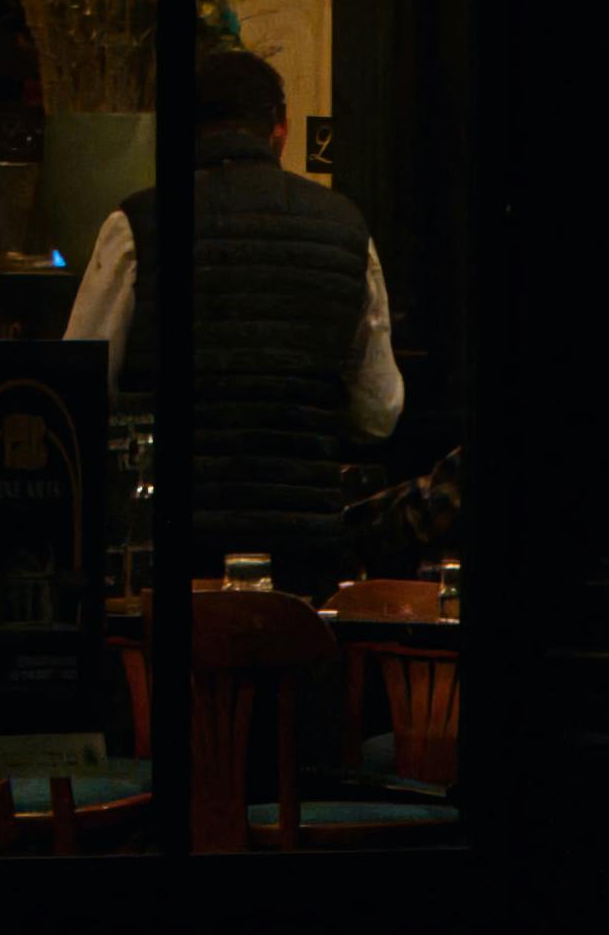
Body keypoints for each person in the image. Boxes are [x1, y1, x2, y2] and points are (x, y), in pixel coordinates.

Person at [59, 45, 404, 576]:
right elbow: (378, 412)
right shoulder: (346, 228)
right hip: (300, 551)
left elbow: (77, 391)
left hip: (167, 546)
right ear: (280, 130)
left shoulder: (136, 224)